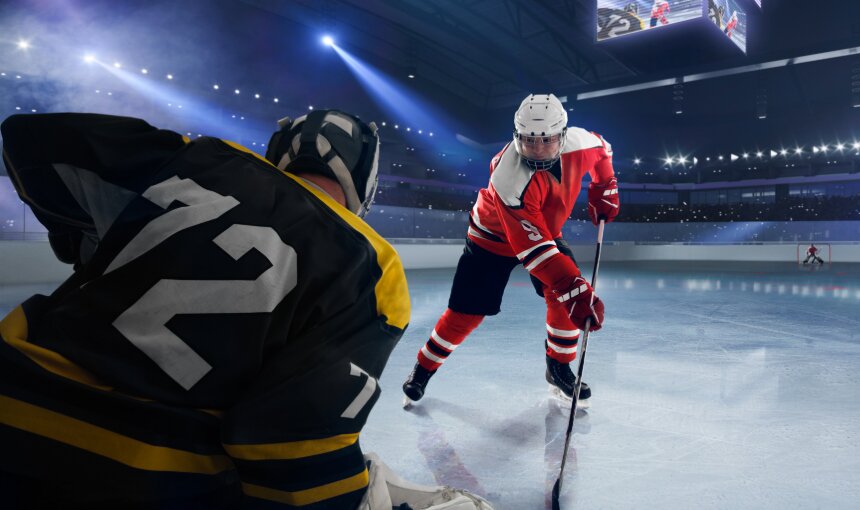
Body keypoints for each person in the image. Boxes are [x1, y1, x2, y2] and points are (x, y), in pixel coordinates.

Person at [0, 111, 491, 509]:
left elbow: (31, 138)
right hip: (144, 477)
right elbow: (291, 454)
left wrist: (85, 240)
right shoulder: (371, 264)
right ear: (366, 176)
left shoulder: (200, 159)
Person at [401, 94, 619, 409]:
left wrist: (604, 184)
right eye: (530, 141)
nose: (538, 150)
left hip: (544, 232)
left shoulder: (581, 142)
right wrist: (573, 287)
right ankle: (423, 368)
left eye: (547, 141)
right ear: (517, 136)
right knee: (466, 313)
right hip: (492, 238)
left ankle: (558, 368)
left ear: (563, 134)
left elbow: (604, 151)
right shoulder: (507, 175)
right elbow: (534, 250)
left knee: (562, 301)